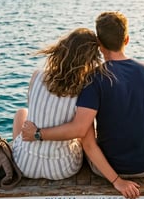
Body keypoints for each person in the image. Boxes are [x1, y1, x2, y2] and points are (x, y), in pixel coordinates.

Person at [22, 11, 144, 199]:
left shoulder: (95, 78)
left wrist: (117, 181)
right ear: (127, 39)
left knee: (85, 131)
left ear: (99, 44)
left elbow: (82, 133)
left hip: (109, 171)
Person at [12, 27, 103, 180]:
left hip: (25, 164)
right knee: (84, 128)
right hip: (62, 167)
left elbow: (34, 112)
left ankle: (19, 149)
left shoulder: (37, 76)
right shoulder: (85, 89)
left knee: (22, 113)